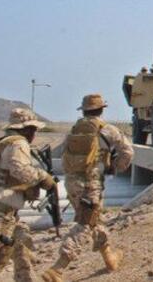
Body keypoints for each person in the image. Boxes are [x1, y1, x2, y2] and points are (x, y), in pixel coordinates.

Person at [42, 94, 134, 282]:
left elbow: (65, 155)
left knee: (94, 220)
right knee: (86, 223)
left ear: (83, 111)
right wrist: (115, 167)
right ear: (101, 110)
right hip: (91, 183)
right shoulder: (108, 130)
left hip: (71, 182)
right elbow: (128, 152)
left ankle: (110, 258)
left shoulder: (74, 130)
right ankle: (58, 268)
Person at [0, 108, 55, 281]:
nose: (35, 133)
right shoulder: (19, 143)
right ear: (26, 129)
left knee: (21, 246)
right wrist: (43, 177)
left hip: (0, 207)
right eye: (33, 129)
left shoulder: (0, 143)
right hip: (2, 211)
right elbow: (20, 170)